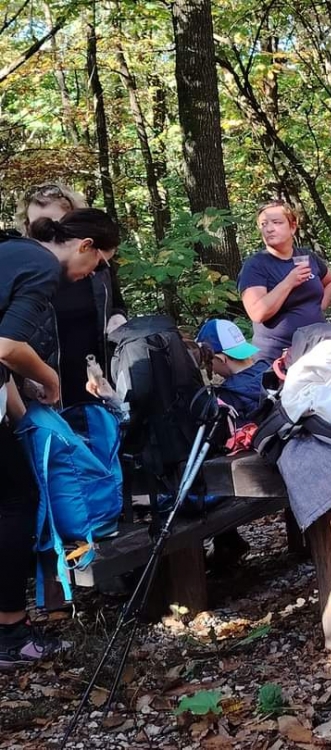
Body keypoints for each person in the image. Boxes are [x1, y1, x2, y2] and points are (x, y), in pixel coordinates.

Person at [0, 208, 119, 668]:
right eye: (100, 263)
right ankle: (9, 632)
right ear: (84, 246)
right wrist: (50, 379)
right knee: (16, 501)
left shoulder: (13, 252)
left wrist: (22, 401)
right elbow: (7, 346)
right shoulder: (44, 269)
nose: (94, 274)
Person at [15, 183, 127, 407]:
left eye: (56, 224)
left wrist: (118, 319)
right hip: (44, 388)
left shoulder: (99, 264)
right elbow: (8, 344)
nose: (48, 233)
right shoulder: (22, 271)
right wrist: (24, 377)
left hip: (96, 376)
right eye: (38, 225)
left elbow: (117, 306)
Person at [239, 201, 331, 362]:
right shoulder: (256, 265)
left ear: (292, 227)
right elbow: (257, 313)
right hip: (277, 356)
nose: (269, 228)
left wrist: (320, 306)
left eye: (277, 222)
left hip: (315, 348)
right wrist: (288, 282)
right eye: (264, 224)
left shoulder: (307, 256)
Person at [196, 319, 270, 426]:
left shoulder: (228, 397)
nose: (213, 371)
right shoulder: (269, 369)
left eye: (209, 362)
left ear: (220, 359)